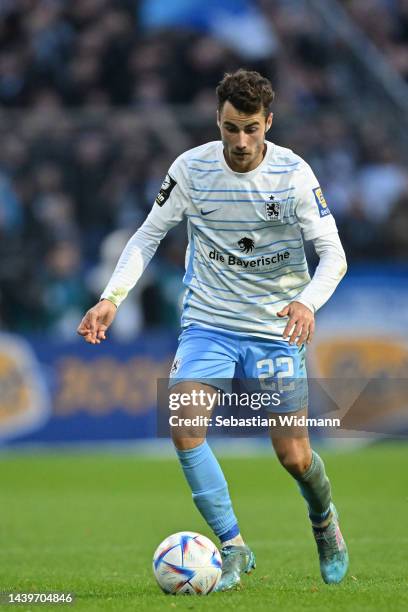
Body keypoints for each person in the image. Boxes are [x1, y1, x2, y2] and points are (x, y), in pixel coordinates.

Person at [77, 69, 349, 591]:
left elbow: (333, 255)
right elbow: (147, 235)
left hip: (275, 328)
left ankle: (324, 521)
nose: (241, 142)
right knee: (183, 424)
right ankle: (234, 547)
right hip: (209, 323)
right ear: (217, 121)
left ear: (268, 122)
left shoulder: (293, 175)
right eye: (230, 128)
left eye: (251, 128)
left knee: (293, 456)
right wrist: (112, 298)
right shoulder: (191, 169)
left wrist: (306, 302)